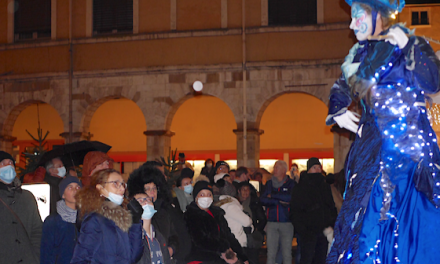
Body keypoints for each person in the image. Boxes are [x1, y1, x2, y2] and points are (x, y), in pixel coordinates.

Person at [326, 0, 440, 263]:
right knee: (366, 218)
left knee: (406, 219)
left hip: (408, 150)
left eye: (358, 16)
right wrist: (339, 111)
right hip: (369, 150)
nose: (352, 24)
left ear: (378, 15)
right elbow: (341, 88)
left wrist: (409, 46)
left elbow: (433, 81)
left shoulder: (408, 45)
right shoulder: (358, 55)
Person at [70, 169, 143, 263]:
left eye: (123, 184)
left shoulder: (121, 217)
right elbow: (80, 259)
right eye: (115, 184)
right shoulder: (95, 220)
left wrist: (135, 222)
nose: (122, 189)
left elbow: (133, 257)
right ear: (100, 188)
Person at [128, 165, 191, 264]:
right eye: (147, 189)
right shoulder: (133, 215)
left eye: (154, 188)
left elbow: (175, 236)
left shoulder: (166, 211)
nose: (152, 192)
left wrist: (171, 249)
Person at [184, 181, 248, 264]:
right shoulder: (191, 215)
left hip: (220, 256)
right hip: (201, 257)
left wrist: (242, 256)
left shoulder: (217, 214)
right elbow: (200, 240)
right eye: (202, 195)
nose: (206, 197)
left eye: (209, 194)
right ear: (196, 197)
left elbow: (228, 235)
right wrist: (224, 247)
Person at [290, 158, 337, 264]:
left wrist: (330, 223)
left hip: (323, 230)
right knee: (306, 258)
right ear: (309, 170)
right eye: (314, 167)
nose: (317, 170)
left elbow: (330, 206)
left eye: (318, 167)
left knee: (321, 259)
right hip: (308, 231)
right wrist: (302, 229)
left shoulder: (324, 186)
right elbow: (295, 210)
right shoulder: (301, 188)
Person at [0, 151, 42, 264]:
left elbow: (37, 230)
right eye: (3, 164)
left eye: (10, 163)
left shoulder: (27, 197)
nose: (8, 166)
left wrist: (35, 256)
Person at [260, 160, 296, 264]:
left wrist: (273, 195)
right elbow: (263, 199)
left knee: (286, 253)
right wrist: (279, 200)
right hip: (272, 221)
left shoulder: (291, 184)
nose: (274, 170)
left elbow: (290, 198)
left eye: (277, 168)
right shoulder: (269, 183)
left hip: (287, 221)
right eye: (274, 167)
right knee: (271, 253)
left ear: (284, 170)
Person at [41, 176, 82, 264]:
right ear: (63, 194)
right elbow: (46, 253)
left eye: (78, 187)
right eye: (70, 187)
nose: (75, 190)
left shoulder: (87, 219)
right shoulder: (52, 222)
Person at [130, 190, 172, 264]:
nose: (146, 202)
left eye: (148, 199)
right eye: (140, 201)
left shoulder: (159, 236)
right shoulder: (133, 236)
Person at [237, 181, 267, 264]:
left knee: (252, 259)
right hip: (238, 236)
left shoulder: (254, 203)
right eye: (243, 189)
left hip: (251, 236)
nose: (246, 192)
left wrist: (256, 229)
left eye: (247, 189)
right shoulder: (235, 203)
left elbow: (262, 219)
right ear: (239, 191)